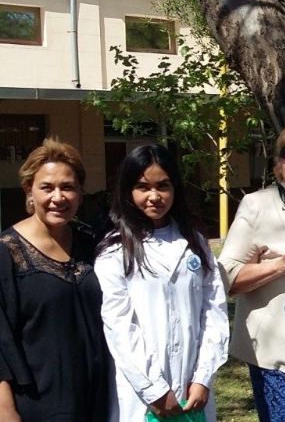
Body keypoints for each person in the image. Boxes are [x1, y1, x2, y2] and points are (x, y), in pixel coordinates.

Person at [94, 145, 229, 421]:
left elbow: (214, 311)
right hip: (142, 395)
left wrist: (203, 377)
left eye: (163, 186)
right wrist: (154, 390)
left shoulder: (195, 243)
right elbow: (120, 327)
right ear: (128, 191)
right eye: (143, 187)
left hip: (193, 388)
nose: (154, 196)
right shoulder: (115, 251)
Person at [218, 123, 285, 421]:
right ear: (278, 163)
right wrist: (282, 264)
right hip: (278, 351)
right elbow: (228, 277)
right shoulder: (257, 204)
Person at [0, 139, 109, 422]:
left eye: (67, 187)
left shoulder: (91, 243)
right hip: (37, 403)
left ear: (80, 193)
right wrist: (5, 409)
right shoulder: (7, 252)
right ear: (29, 190)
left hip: (97, 399)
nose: (58, 197)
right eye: (47, 187)